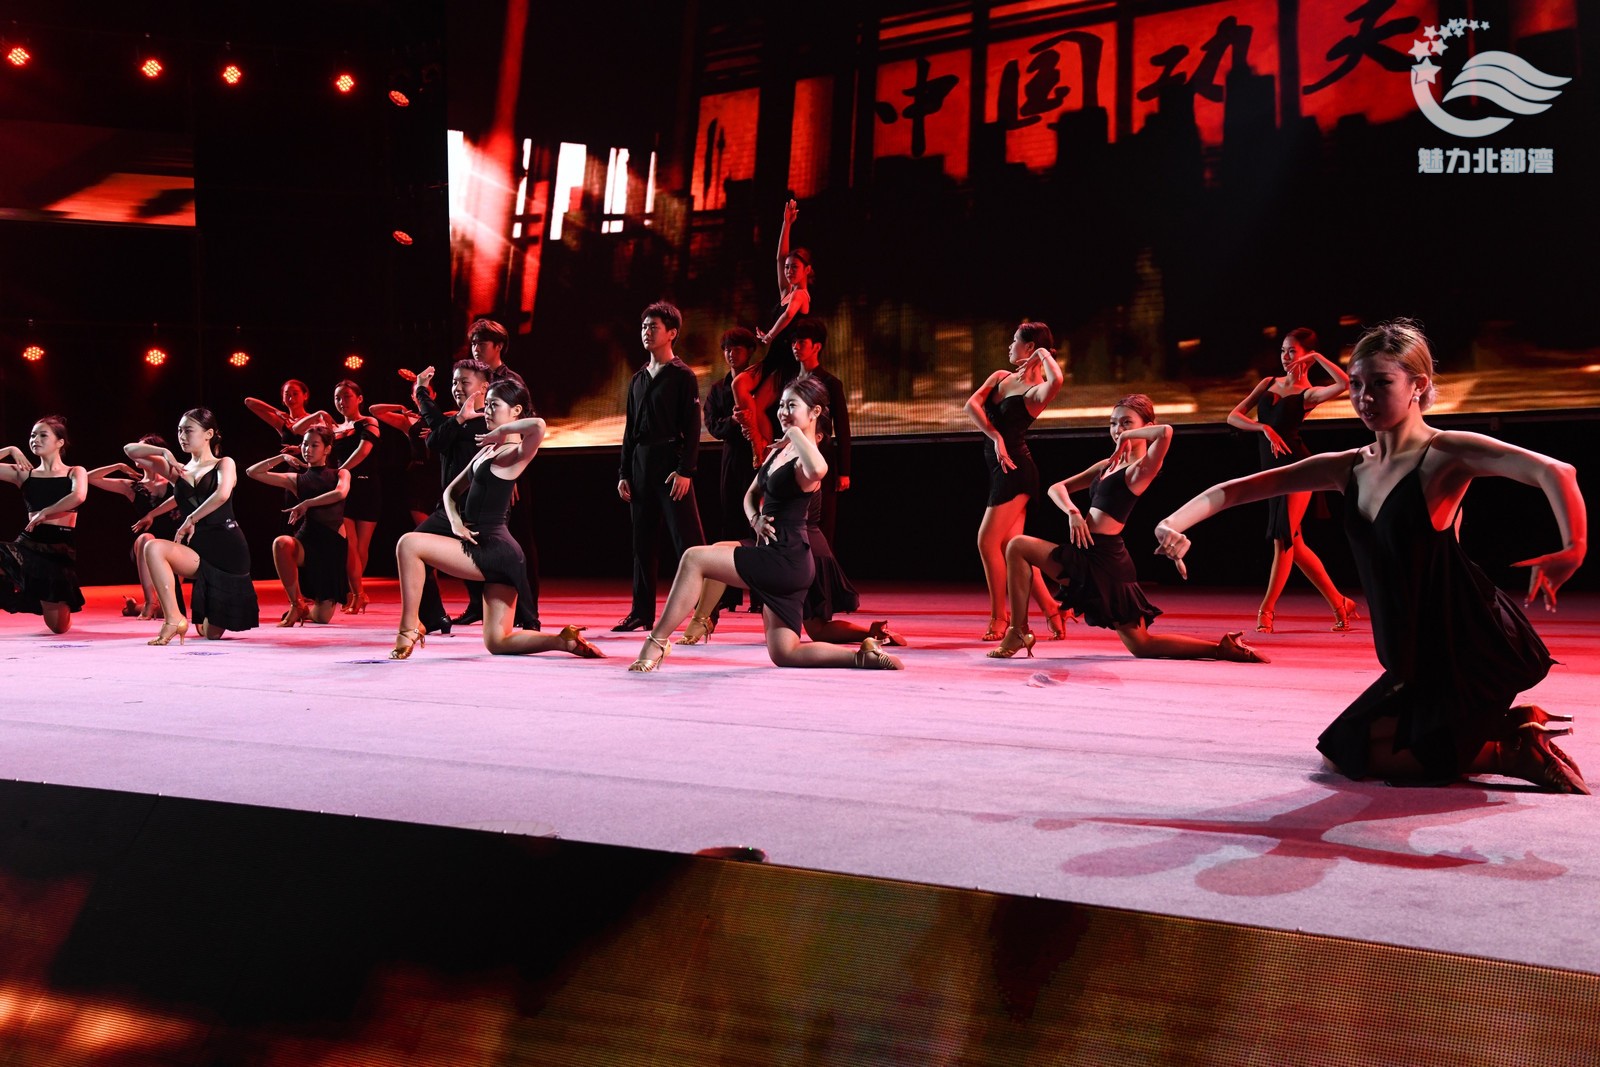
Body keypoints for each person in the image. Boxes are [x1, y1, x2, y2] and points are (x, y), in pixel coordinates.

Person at [1155, 320, 1586, 794]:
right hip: (1409, 650)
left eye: (1382, 383)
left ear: (1418, 385)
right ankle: (1506, 730)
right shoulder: (1349, 467)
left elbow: (1556, 471)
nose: (1364, 397)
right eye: (1357, 384)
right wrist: (1171, 523)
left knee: (1351, 753)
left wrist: (1574, 546)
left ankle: (1510, 752)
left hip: (1460, 641)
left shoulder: (1444, 454)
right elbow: (1234, 490)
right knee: (1343, 751)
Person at [629, 376, 902, 671]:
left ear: (815, 412)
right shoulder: (780, 451)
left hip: (786, 557)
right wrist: (755, 519)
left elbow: (819, 469)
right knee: (785, 653)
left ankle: (656, 643)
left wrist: (794, 433)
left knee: (694, 558)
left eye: (792, 405)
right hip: (775, 554)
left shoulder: (806, 457)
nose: (783, 412)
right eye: (781, 405)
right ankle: (861, 656)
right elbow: (750, 495)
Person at [990, 395, 1266, 663]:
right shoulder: (1107, 465)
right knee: (1142, 645)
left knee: (1018, 545)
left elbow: (1166, 432)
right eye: (1113, 423)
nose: (1117, 430)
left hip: (1105, 561)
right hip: (1088, 554)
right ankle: (1221, 649)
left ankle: (1017, 632)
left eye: (1126, 423)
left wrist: (1128, 437)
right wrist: (1072, 512)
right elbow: (1056, 488)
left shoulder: (1140, 470)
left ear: (1146, 427)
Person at [389, 378, 600, 660]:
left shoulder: (515, 453)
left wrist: (502, 431)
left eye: (494, 405)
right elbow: (451, 492)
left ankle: (409, 629)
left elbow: (538, 425)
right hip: (490, 549)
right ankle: (564, 641)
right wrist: (456, 523)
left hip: (493, 550)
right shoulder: (488, 450)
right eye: (486, 404)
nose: (487, 411)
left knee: (408, 544)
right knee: (498, 641)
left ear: (516, 411)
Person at [1227, 328, 1359, 632]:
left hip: (1299, 469)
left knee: (1283, 538)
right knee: (1294, 544)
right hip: (1271, 471)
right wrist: (1263, 428)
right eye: (1283, 350)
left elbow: (1345, 383)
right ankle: (1340, 603)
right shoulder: (1268, 383)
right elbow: (1234, 416)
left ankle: (1267, 610)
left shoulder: (1309, 394)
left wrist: (1318, 357)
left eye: (1292, 352)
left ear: (1306, 356)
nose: (1286, 357)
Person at [966, 321, 1069, 641]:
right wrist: (995, 436)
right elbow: (971, 405)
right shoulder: (1000, 376)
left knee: (987, 542)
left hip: (1016, 472)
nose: (1010, 346)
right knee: (1013, 547)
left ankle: (1000, 617)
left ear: (1030, 347)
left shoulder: (1037, 391)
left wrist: (1043, 355)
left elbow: (1058, 379)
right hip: (1000, 467)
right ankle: (1052, 608)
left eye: (1015, 341)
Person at [127, 409, 260, 643]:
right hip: (198, 548)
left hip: (227, 549)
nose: (182, 436)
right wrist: (164, 451)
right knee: (153, 547)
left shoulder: (224, 463)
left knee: (210, 634)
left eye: (188, 430)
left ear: (209, 434)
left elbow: (222, 494)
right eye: (179, 431)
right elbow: (129, 450)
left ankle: (205, 615)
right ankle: (173, 619)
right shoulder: (178, 470)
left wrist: (190, 519)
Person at [615, 301, 706, 631]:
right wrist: (624, 473)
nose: (646, 332)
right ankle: (641, 612)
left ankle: (704, 613)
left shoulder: (683, 376)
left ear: (672, 333)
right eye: (644, 327)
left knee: (688, 543)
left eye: (653, 327)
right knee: (642, 543)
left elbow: (693, 428)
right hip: (641, 464)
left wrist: (685, 470)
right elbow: (630, 430)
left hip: (671, 464)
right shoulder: (638, 378)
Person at [464, 317, 540, 627]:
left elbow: (529, 422)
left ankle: (528, 610)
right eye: (473, 343)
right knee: (475, 533)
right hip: (481, 463)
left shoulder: (511, 380)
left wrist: (512, 470)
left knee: (518, 538)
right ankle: (478, 605)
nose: (476, 348)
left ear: (498, 346)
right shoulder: (474, 377)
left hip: (509, 464)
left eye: (481, 343)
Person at [246, 426, 351, 625]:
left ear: (327, 449)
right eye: (304, 444)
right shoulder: (296, 479)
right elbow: (252, 472)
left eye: (314, 445)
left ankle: (307, 612)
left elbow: (340, 493)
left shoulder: (341, 473)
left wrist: (307, 503)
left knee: (322, 618)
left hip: (332, 545)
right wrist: (282, 458)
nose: (307, 449)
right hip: (308, 540)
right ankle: (297, 603)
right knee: (281, 543)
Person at [294, 381, 381, 613]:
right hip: (343, 489)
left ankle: (357, 593)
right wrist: (318, 414)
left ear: (359, 398)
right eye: (337, 398)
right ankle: (356, 593)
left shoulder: (369, 422)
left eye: (347, 396)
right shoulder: (332, 428)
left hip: (366, 487)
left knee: (361, 547)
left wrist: (339, 472)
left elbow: (363, 451)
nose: (342, 402)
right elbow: (297, 430)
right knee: (349, 546)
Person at [0, 416, 87, 633]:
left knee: (58, 627)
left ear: (60, 442)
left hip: (59, 547)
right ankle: (29, 590)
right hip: (29, 543)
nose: (35, 439)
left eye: (42, 435)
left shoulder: (75, 471)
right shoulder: (24, 473)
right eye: (32, 435)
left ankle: (39, 595)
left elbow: (78, 496)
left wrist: (45, 512)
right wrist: (11, 449)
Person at [87, 433, 185, 619]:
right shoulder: (134, 486)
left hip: (174, 546)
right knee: (147, 538)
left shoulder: (175, 480)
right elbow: (89, 478)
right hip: (144, 548)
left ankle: (134, 607)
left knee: (165, 610)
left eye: (142, 450)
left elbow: (186, 495)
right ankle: (149, 602)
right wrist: (118, 466)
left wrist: (152, 514)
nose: (137, 455)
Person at [702, 326, 763, 614]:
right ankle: (730, 594)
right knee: (731, 522)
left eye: (736, 348)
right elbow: (713, 426)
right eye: (727, 349)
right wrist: (734, 421)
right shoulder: (718, 389)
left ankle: (760, 595)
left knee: (759, 523)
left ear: (749, 352)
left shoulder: (762, 383)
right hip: (731, 458)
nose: (730, 354)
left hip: (759, 456)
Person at [744, 199, 812, 449]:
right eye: (787, 268)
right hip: (774, 357)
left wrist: (770, 335)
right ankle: (763, 448)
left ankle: (775, 449)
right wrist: (786, 224)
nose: (789, 270)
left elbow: (788, 316)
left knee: (777, 410)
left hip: (787, 362)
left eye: (795, 267)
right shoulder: (787, 291)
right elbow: (779, 257)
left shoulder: (801, 295)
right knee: (754, 403)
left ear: (807, 270)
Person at [788, 316, 851, 545]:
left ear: (816, 346)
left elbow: (842, 428)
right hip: (793, 458)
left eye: (801, 342)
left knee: (822, 522)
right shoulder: (790, 383)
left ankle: (822, 565)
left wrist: (844, 471)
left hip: (821, 457)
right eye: (794, 342)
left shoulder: (830, 383)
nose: (796, 347)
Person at [245, 379, 314, 448]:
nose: (291, 399)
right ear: (283, 398)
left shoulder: (314, 419)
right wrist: (276, 411)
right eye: (287, 394)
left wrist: (299, 448)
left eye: (295, 394)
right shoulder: (282, 422)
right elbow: (248, 402)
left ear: (305, 396)